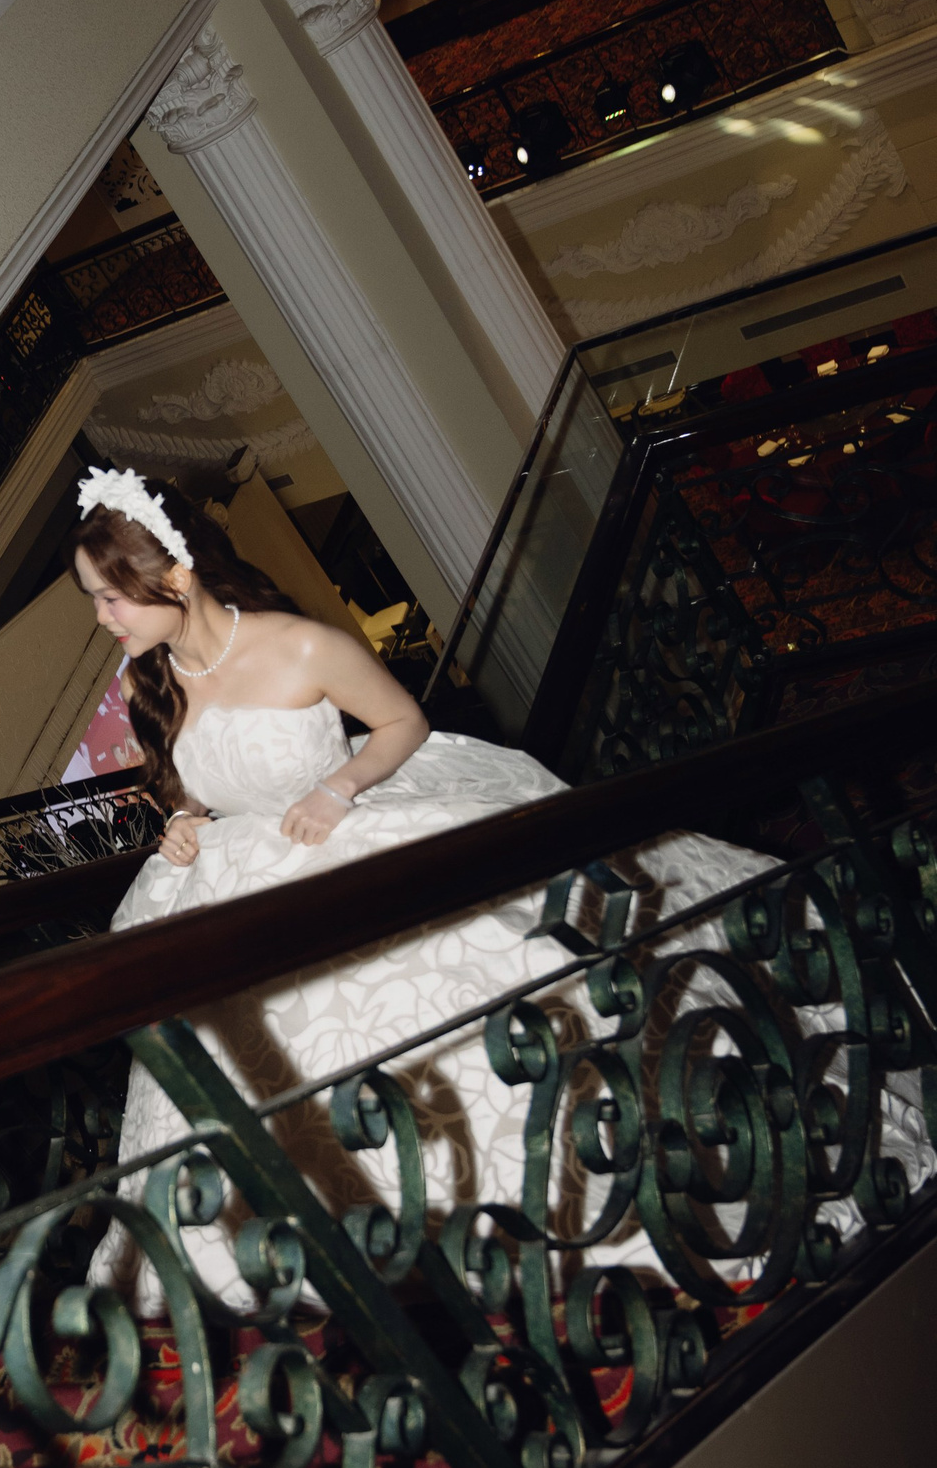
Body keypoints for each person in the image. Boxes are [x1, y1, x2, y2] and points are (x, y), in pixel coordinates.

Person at [71, 465, 925, 1314]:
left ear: (175, 575)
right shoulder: (152, 678)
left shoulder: (298, 645)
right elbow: (199, 787)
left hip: (350, 839)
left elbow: (403, 723)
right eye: (97, 601)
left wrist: (339, 787)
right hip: (243, 889)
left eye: (112, 598)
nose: (104, 619)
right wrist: (184, 822)